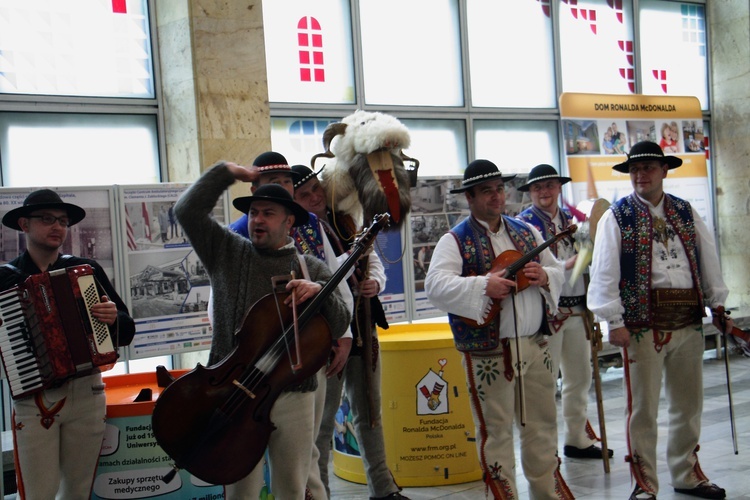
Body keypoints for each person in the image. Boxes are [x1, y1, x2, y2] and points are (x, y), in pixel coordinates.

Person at [174, 161, 351, 499]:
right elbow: (186, 210)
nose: (257, 220)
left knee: (292, 488)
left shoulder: (311, 267)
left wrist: (319, 294)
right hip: (234, 394)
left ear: (289, 222)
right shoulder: (227, 253)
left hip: (294, 395)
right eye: (254, 212)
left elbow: (340, 323)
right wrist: (225, 173)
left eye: (268, 213)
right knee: (242, 490)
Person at [587, 141, 733, 500]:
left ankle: (686, 473)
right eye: (635, 169)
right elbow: (604, 272)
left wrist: (716, 302)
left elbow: (707, 256)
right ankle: (644, 482)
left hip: (687, 319)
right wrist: (613, 320)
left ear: (664, 171)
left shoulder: (685, 211)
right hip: (641, 325)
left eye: (649, 168)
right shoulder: (616, 216)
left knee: (688, 403)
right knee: (643, 410)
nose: (641, 175)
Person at [424, 160, 573, 499]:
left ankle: (546, 492)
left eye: (499, 189)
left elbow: (555, 269)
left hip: (535, 345)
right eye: (486, 191)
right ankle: (504, 494)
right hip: (489, 352)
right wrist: (482, 285)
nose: (496, 196)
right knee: (497, 431)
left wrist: (545, 276)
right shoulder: (454, 239)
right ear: (470, 198)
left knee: (543, 425)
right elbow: (435, 286)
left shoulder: (525, 231)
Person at [0, 189, 136, 500]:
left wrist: (114, 319)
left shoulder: (85, 271)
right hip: (35, 398)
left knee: (77, 491)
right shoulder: (6, 279)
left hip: (87, 392)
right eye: (47, 219)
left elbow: (127, 331)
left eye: (62, 221)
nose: (57, 227)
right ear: (24, 224)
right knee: (37, 494)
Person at [290, 164, 407, 500]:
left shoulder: (344, 222)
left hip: (363, 326)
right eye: (304, 194)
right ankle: (320, 492)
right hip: (326, 335)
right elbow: (322, 277)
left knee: (370, 410)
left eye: (316, 189)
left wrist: (375, 283)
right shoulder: (297, 233)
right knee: (323, 422)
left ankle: (383, 489)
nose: (313, 197)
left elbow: (372, 262)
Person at [517, 164, 613, 462]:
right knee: (545, 381)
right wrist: (571, 263)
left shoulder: (575, 218)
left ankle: (576, 438)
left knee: (580, 377)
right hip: (548, 313)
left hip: (579, 310)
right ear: (530, 193)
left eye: (549, 186)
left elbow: (594, 257)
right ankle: (546, 447)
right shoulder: (523, 226)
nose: (544, 192)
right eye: (537, 188)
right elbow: (530, 270)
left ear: (559, 187)